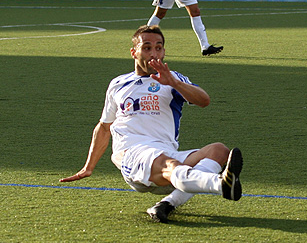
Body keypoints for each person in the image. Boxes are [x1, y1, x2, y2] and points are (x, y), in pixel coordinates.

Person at [60, 25, 243, 223]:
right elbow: (104, 126)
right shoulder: (118, 84)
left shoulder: (174, 79)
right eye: (147, 48)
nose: (153, 53)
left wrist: (174, 83)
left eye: (158, 47)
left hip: (165, 154)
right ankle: (219, 185)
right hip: (132, 154)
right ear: (134, 52)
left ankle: (166, 204)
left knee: (219, 151)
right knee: (169, 164)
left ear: (164, 51)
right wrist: (89, 166)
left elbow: (204, 101)